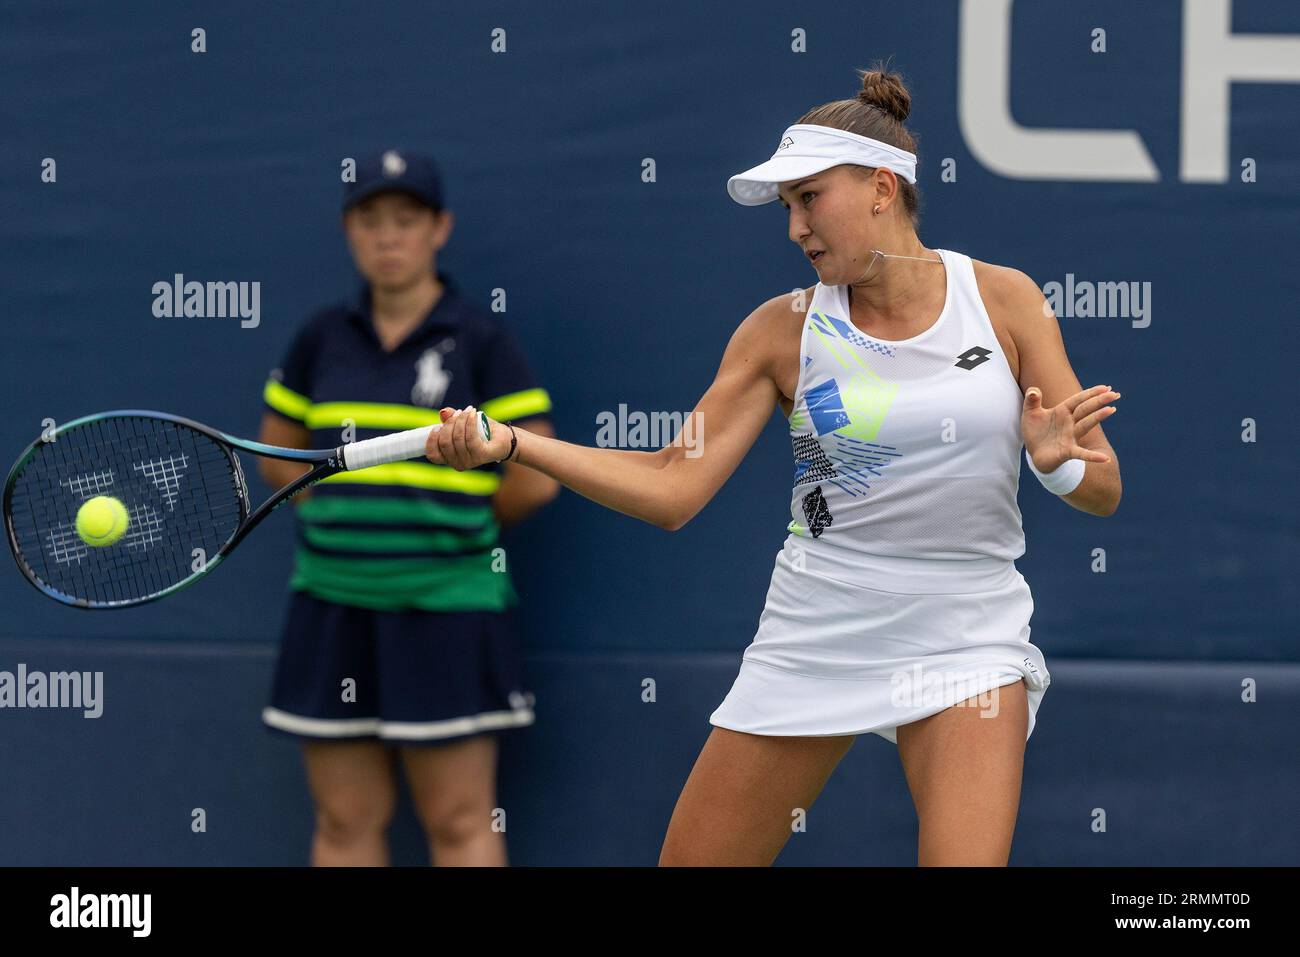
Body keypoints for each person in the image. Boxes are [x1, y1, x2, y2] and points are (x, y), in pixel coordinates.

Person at [425, 65, 1122, 866]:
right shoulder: (778, 331)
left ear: (882, 189)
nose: (795, 227)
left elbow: (1103, 486)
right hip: (817, 627)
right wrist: (510, 442)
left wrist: (1057, 465)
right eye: (788, 207)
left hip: (969, 632)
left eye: (809, 197)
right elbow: (671, 486)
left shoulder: (1007, 302)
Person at [256, 148, 559, 866]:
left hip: (449, 610)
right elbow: (276, 454)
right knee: (343, 820)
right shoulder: (319, 337)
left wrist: (451, 533)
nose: (388, 237)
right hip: (332, 607)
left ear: (438, 229)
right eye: (370, 221)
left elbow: (537, 471)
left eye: (406, 219)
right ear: (349, 231)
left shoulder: (480, 338)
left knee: (459, 822)